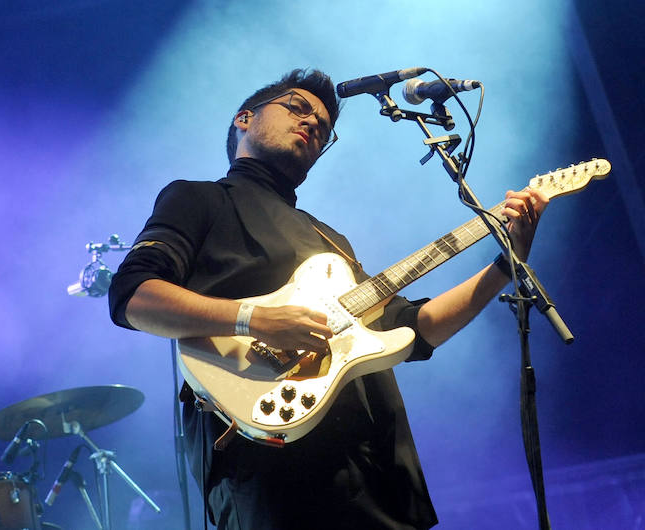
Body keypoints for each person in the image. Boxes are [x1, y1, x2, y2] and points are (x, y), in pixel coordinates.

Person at [108, 68, 548, 529]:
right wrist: (254, 319)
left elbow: (414, 328)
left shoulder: (330, 242)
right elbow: (133, 297)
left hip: (373, 474)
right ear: (244, 119)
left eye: (324, 125)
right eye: (297, 108)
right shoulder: (198, 199)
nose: (314, 123)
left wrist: (508, 263)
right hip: (273, 471)